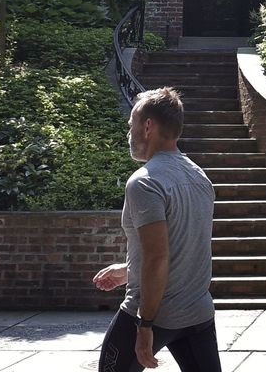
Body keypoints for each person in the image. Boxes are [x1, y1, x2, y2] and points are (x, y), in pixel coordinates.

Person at [93, 87, 219, 372]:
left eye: (131, 125)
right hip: (197, 312)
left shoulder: (145, 182)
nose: (129, 134)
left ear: (148, 126)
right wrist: (128, 270)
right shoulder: (200, 176)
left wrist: (145, 325)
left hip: (154, 313)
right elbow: (183, 247)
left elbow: (157, 257)